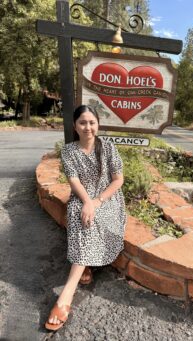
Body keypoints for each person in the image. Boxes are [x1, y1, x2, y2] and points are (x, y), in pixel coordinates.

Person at [45, 105, 126, 331]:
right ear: (75, 126)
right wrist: (87, 202)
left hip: (107, 198)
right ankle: (81, 273)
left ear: (97, 124)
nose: (88, 127)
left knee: (91, 220)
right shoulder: (69, 151)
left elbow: (118, 180)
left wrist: (97, 201)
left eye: (92, 122)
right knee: (80, 217)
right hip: (81, 197)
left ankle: (65, 297)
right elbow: (74, 182)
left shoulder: (109, 148)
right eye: (82, 123)